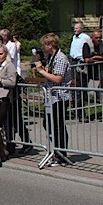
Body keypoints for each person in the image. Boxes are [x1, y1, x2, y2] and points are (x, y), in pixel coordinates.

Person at [33, 33, 73, 165]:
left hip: (60, 96)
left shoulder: (60, 58)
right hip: (52, 97)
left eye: (44, 45)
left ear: (50, 45)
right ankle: (56, 151)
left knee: (58, 126)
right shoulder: (51, 57)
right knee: (49, 124)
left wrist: (42, 72)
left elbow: (58, 78)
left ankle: (62, 154)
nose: (43, 48)